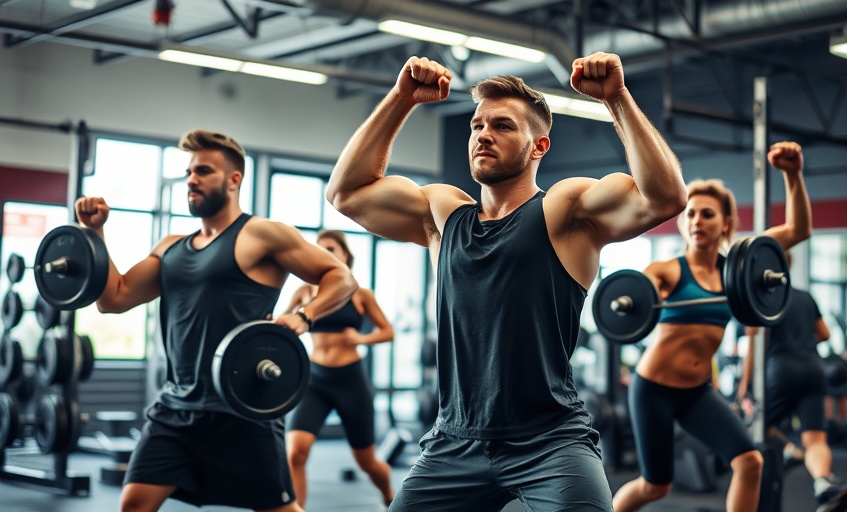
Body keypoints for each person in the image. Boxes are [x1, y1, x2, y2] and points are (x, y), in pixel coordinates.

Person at [326, 53, 688, 511]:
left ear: (539, 146)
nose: (483, 135)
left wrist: (616, 99)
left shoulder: (564, 210)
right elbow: (345, 193)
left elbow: (666, 198)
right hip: (454, 441)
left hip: (550, 442)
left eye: (502, 126)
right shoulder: (443, 215)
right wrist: (401, 99)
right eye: (477, 125)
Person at [76, 129, 358, 512]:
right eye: (190, 171)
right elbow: (115, 298)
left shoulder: (261, 234)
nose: (191, 179)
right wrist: (95, 233)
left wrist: (304, 317)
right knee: (133, 505)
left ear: (233, 180)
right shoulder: (170, 246)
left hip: (241, 410)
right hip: (176, 409)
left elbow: (341, 276)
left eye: (203, 171)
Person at [612, 141, 812, 512]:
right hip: (653, 390)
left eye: (706, 214)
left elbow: (798, 229)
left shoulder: (738, 271)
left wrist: (792, 173)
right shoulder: (668, 271)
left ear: (726, 223)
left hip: (697, 392)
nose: (696, 221)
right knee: (655, 487)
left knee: (749, 461)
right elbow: (640, 292)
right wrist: (634, 299)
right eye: (689, 215)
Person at [738, 252, 847, 512]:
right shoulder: (805, 296)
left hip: (781, 369)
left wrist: (742, 388)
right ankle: (822, 485)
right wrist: (802, 341)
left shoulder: (761, 300)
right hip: (813, 368)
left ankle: (790, 452)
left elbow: (754, 346)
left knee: (755, 423)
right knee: (816, 439)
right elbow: (825, 334)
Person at [283, 229, 396, 508]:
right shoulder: (305, 292)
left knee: (366, 461)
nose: (324, 253)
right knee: (295, 453)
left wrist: (362, 338)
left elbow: (388, 332)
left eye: (331, 249)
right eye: (319, 249)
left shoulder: (360, 294)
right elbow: (283, 325)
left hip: (350, 380)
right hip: (314, 379)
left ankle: (389, 496)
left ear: (345, 255)